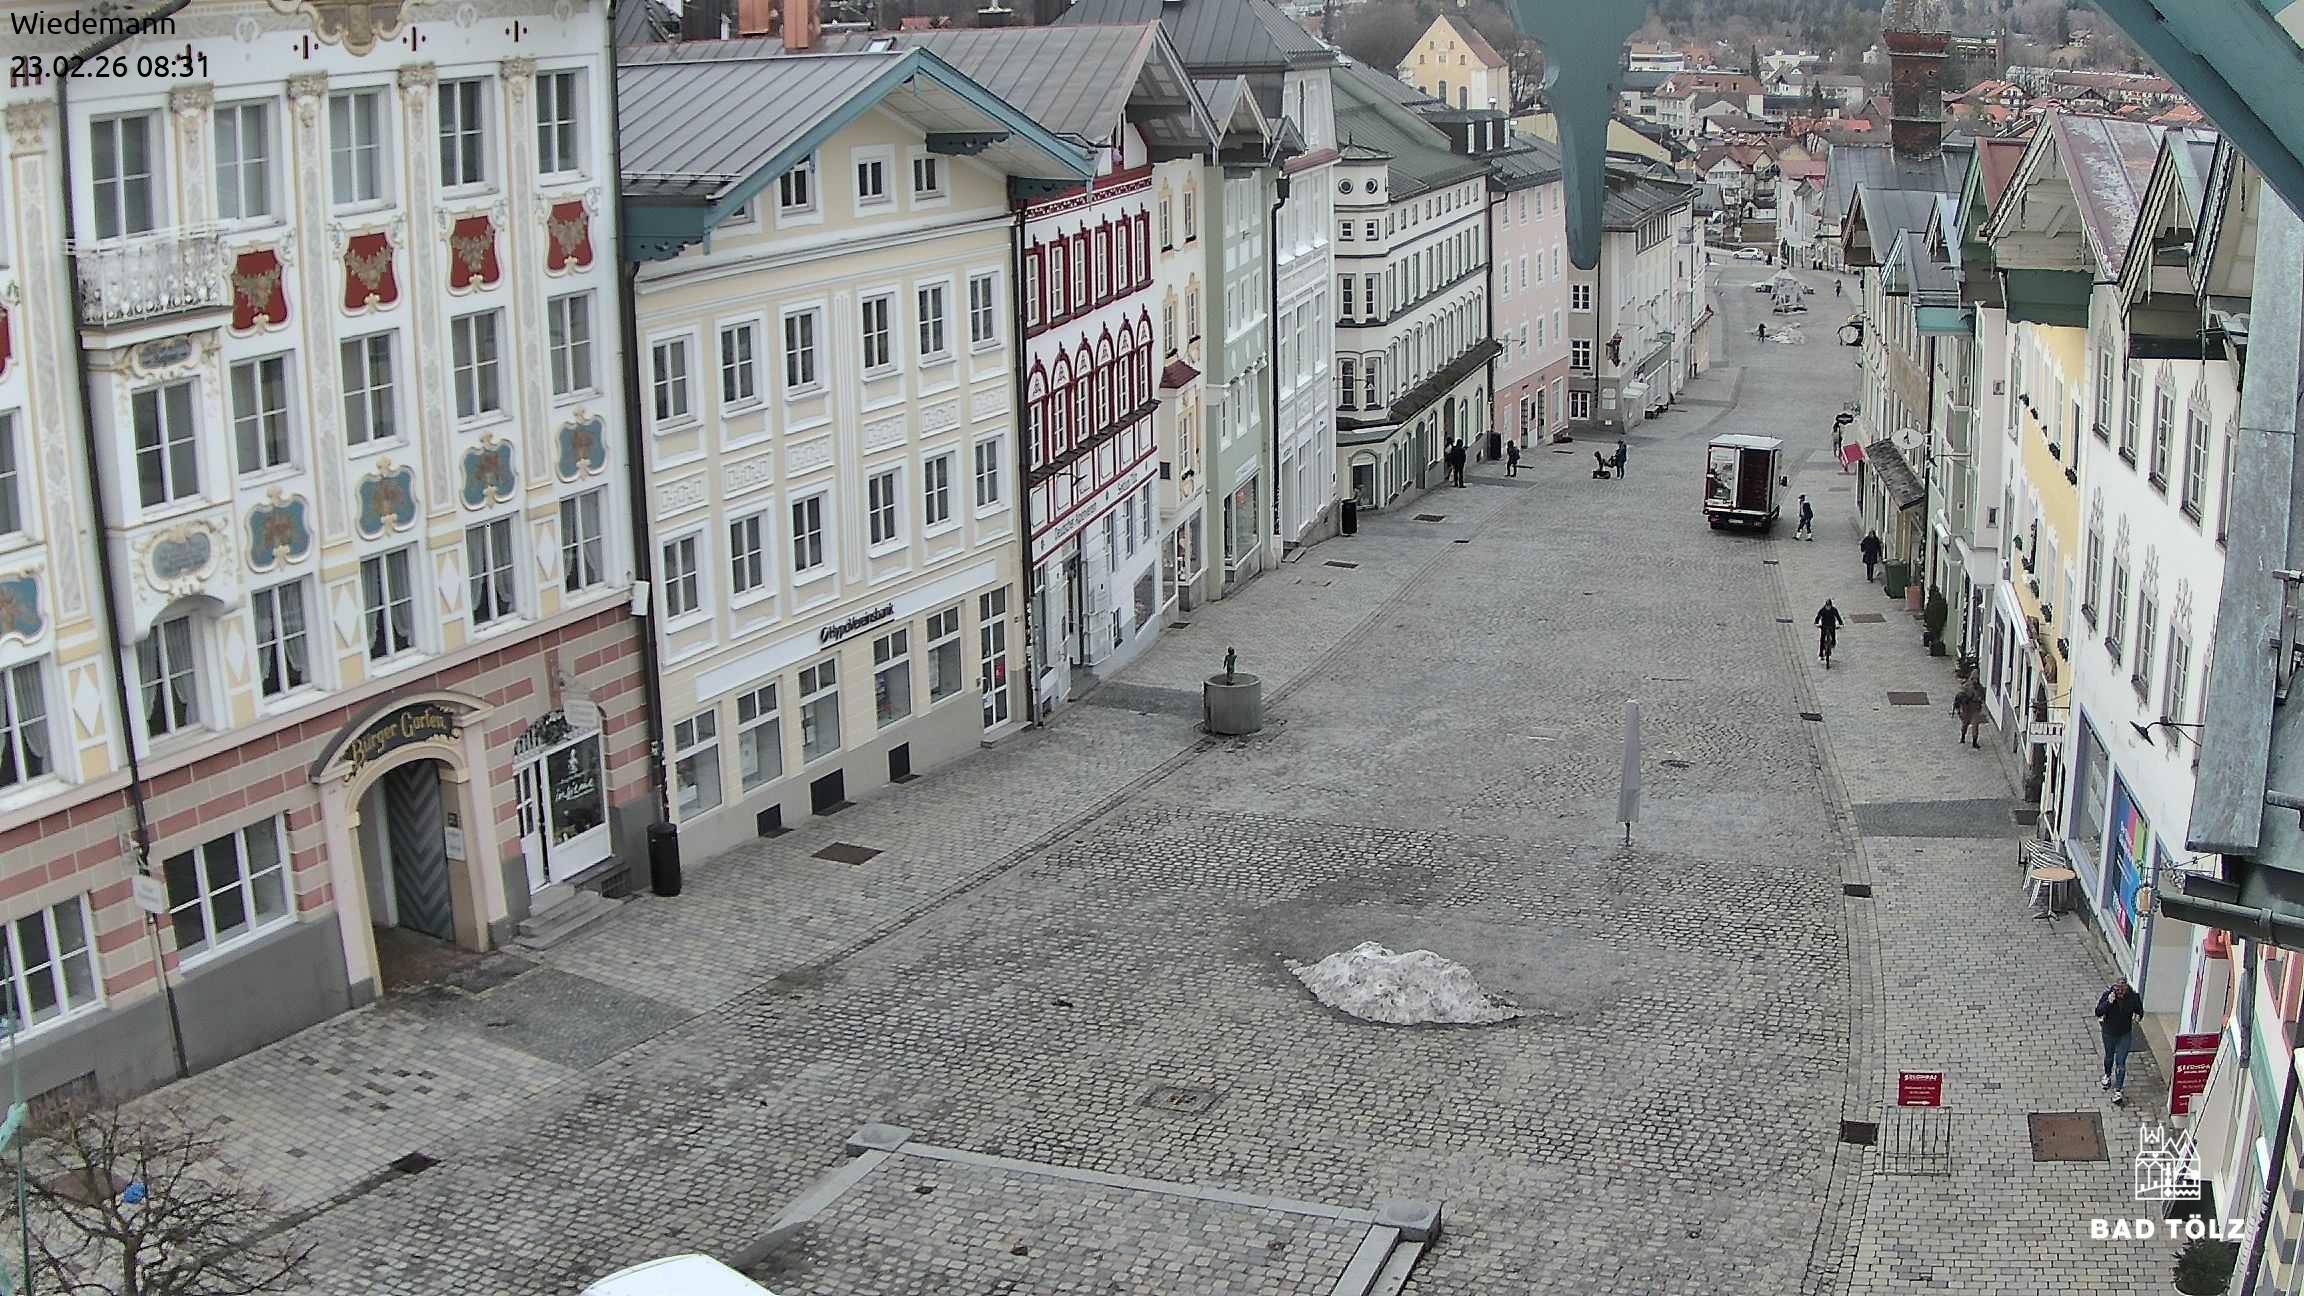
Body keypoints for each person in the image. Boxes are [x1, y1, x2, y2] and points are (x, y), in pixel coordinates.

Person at [2096, 978, 2144, 1104]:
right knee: (2109, 1056)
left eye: (2123, 990)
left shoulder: (2133, 997)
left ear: (2126, 989)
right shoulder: (2108, 996)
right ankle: (2107, 1075)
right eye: (2118, 990)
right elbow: (2098, 1011)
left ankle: (2118, 1090)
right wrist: (2108, 1002)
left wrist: (2138, 1017)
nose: (2120, 993)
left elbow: (2139, 1010)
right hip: (2109, 1033)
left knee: (2121, 1062)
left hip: (2124, 1034)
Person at [1954, 672, 1987, 747]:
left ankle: (1974, 741)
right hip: (1967, 708)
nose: (1975, 681)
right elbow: (1961, 696)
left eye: (1976, 679)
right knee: (1965, 724)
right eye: (1973, 679)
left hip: (1976, 708)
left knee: (1975, 725)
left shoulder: (1980, 688)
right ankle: (1963, 736)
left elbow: (1983, 697)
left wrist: (1980, 699)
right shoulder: (1967, 686)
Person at [1815, 598, 1842, 666]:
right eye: (1827, 606)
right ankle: (1821, 654)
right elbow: (1818, 617)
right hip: (1824, 626)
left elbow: (1838, 617)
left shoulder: (1834, 610)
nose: (1828, 607)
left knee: (1833, 638)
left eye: (1829, 606)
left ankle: (1832, 644)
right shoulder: (1822, 610)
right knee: (1822, 639)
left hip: (1832, 626)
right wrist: (1816, 623)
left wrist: (1840, 623)